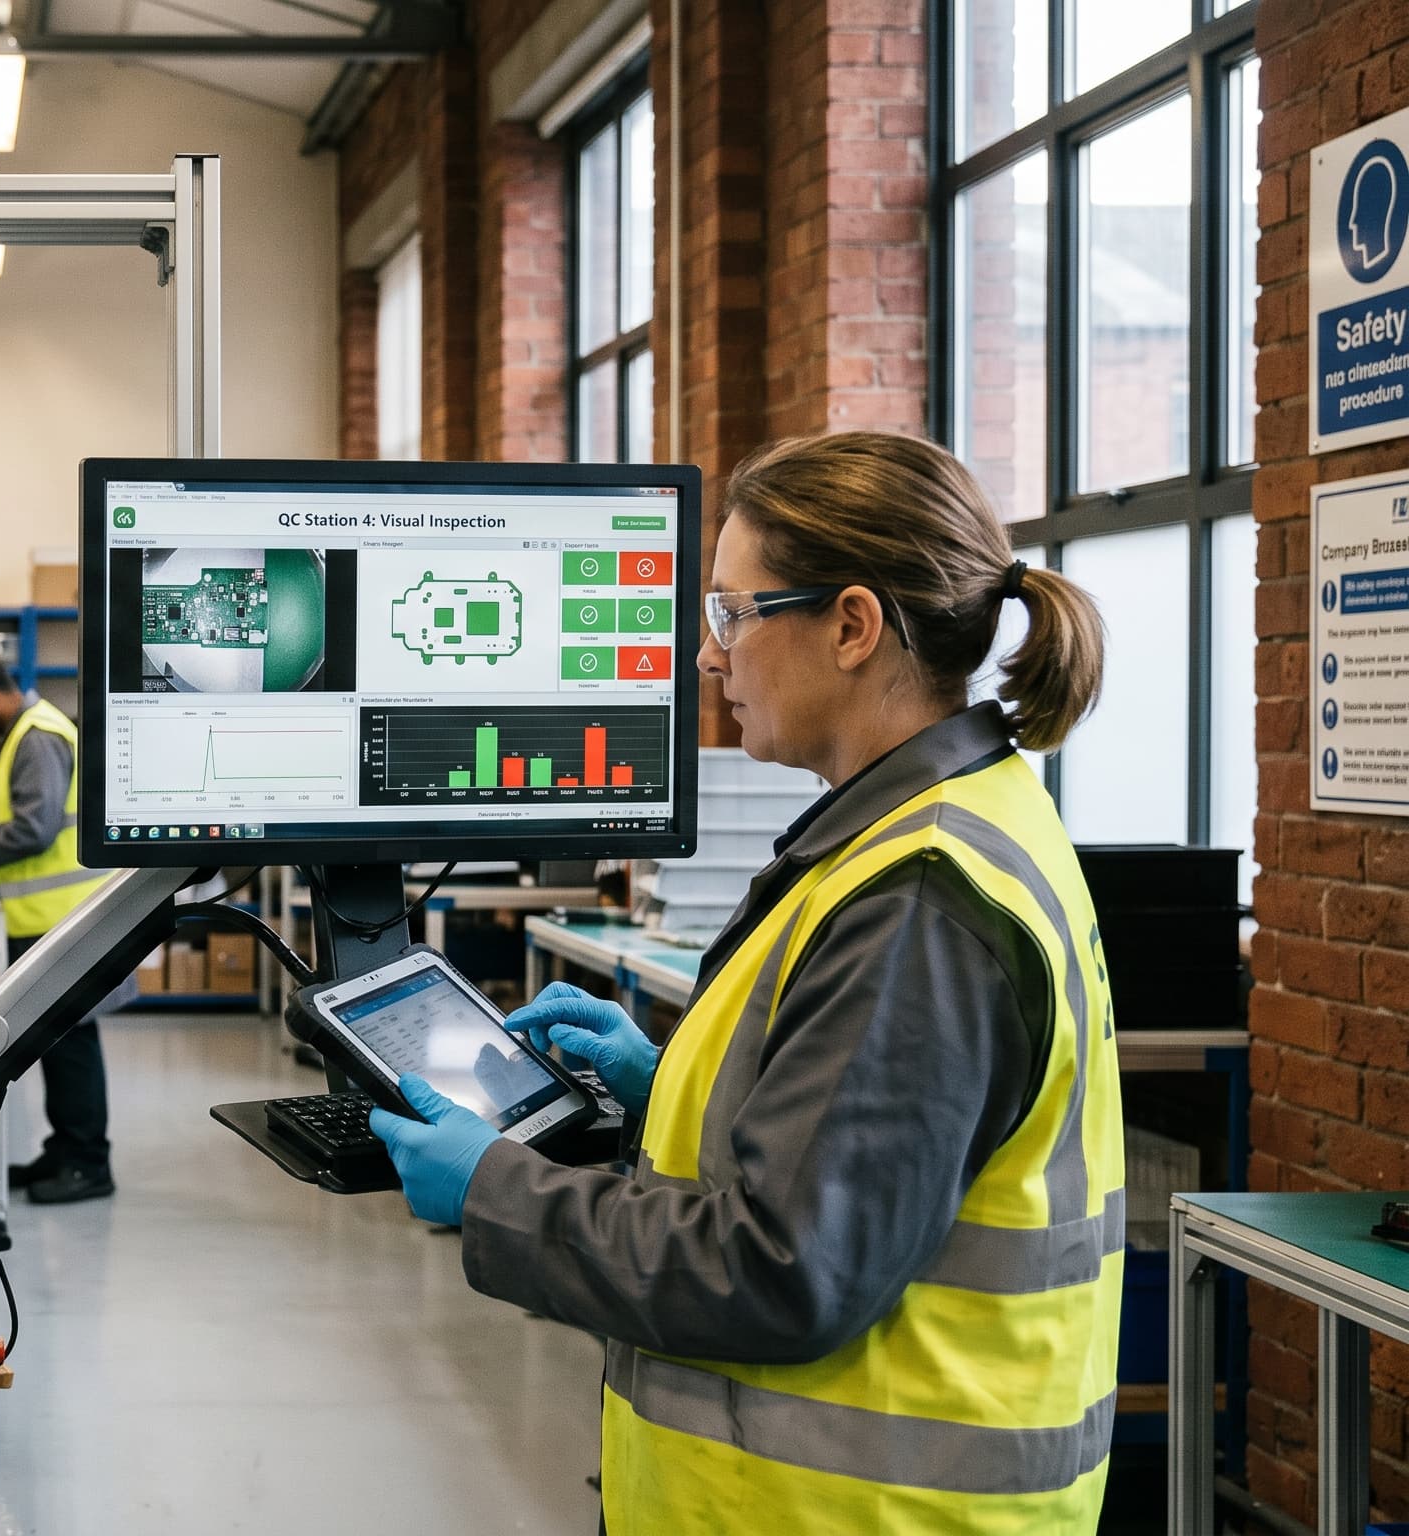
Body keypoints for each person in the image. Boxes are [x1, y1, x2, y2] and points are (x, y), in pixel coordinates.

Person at [370, 432, 1124, 1533]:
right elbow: (866, 1150)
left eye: (733, 614)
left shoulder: (916, 901)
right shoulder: (941, 827)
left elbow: (782, 1271)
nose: (705, 656)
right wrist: (665, 1089)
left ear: (852, 626)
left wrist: (494, 1191)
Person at [0, 656, 125, 1204]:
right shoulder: (25, 733)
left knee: (72, 1044)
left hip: (64, 919)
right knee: (56, 1044)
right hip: (47, 920)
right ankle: (65, 1151)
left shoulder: (37, 736)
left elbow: (36, 830)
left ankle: (88, 1164)